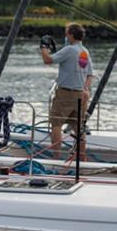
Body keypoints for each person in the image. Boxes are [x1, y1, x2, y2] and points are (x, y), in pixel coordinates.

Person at [40, 22, 94, 160]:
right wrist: (85, 89)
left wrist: (44, 47)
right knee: (78, 127)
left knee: (56, 123)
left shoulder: (69, 50)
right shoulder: (84, 52)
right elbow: (90, 75)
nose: (65, 35)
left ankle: (56, 156)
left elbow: (48, 60)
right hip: (80, 95)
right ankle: (81, 156)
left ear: (71, 35)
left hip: (65, 93)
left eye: (66, 33)